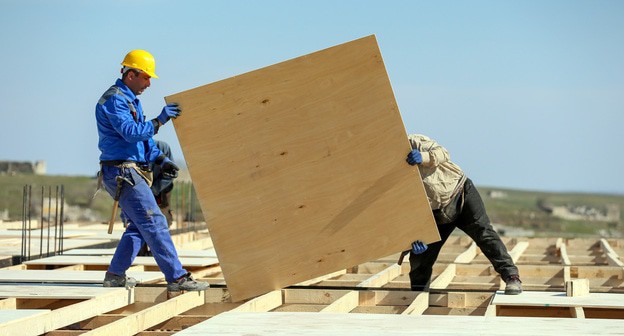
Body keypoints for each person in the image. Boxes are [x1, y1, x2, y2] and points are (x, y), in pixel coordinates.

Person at [95, 49, 209, 292]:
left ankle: (115, 275)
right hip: (122, 173)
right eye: (146, 77)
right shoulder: (115, 100)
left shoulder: (130, 100)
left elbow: (142, 142)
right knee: (155, 221)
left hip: (127, 170)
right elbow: (131, 133)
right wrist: (159, 121)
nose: (148, 84)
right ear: (131, 74)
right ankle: (178, 278)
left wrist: (159, 159)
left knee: (139, 226)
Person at [405, 134, 522, 295]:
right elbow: (399, 213)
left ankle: (512, 277)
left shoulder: (412, 141)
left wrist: (423, 157)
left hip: (460, 193)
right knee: (420, 258)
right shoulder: (381, 172)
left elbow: (443, 153)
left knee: (484, 233)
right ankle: (418, 296)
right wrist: (411, 238)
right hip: (435, 214)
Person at [137, 140, 176, 256]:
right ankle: (141, 250)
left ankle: (161, 251)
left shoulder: (163, 147)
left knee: (161, 220)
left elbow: (171, 174)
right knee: (138, 220)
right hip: (139, 190)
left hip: (162, 189)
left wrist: (153, 190)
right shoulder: (132, 149)